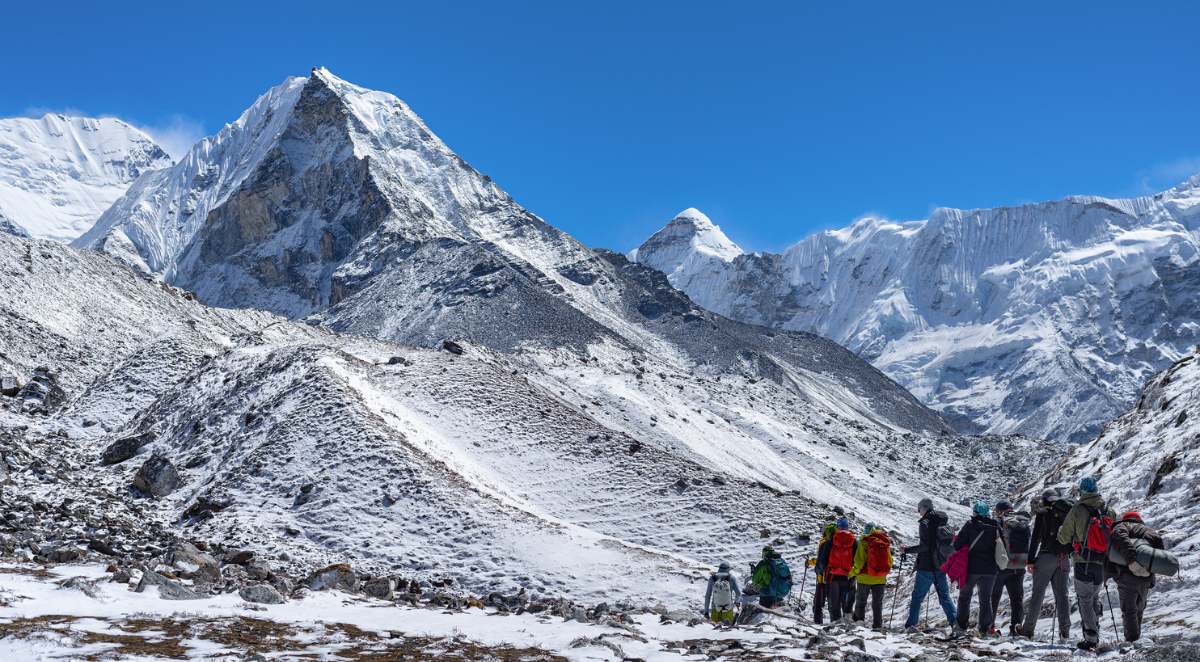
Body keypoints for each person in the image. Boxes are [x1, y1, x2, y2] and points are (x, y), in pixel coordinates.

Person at [1056, 476, 1117, 650]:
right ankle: (1094, 630)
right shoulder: (1109, 510)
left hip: (1083, 561)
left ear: (1082, 492)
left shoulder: (1077, 510)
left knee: (1085, 599)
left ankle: (1091, 637)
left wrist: (1061, 532)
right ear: (1097, 490)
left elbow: (1064, 538)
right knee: (1094, 598)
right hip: (1103, 563)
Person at [1017, 489, 1072, 640]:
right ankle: (1065, 631)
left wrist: (1031, 560)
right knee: (1062, 595)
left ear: (1043, 500)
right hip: (1064, 557)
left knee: (1038, 595)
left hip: (1046, 556)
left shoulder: (1042, 514)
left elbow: (1035, 539)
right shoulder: (1065, 512)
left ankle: (1028, 629)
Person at [1107, 511, 1163, 642]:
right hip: (1146, 577)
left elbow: (1121, 539)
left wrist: (1131, 561)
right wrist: (1150, 575)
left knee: (1129, 609)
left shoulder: (1121, 526)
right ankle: (1136, 641)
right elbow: (1158, 555)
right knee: (1139, 609)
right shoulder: (1151, 532)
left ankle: (1132, 641)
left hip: (1127, 575)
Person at [902, 497, 957, 630]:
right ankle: (955, 622)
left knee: (917, 597)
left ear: (923, 508)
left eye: (919, 508)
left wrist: (907, 550)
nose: (918, 510)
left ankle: (911, 625)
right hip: (941, 566)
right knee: (944, 595)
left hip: (926, 566)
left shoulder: (925, 523)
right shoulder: (942, 522)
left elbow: (925, 546)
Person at [953, 501, 1006, 637]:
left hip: (971, 569)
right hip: (990, 569)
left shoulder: (970, 525)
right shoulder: (995, 526)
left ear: (975, 512)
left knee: (965, 597)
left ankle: (962, 626)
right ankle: (985, 629)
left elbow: (957, 545)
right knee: (986, 598)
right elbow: (1002, 545)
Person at [990, 500, 1030, 635]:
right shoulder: (1022, 521)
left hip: (1000, 567)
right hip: (1018, 566)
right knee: (1017, 598)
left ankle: (990, 627)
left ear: (1000, 511)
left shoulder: (998, 521)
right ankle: (1016, 629)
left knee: (994, 597)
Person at [850, 522, 892, 629]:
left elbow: (859, 562)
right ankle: (877, 626)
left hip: (864, 578)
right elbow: (890, 561)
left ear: (867, 529)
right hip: (880, 579)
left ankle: (860, 625)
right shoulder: (883, 541)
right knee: (877, 604)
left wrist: (852, 573)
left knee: (861, 601)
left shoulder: (864, 542)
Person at [819, 517, 857, 622]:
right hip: (848, 577)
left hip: (832, 577)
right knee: (847, 602)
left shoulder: (831, 540)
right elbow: (857, 560)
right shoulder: (853, 540)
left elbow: (824, 559)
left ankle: (835, 624)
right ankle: (848, 623)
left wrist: (822, 571)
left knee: (834, 602)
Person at [811, 521, 837, 623]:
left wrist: (816, 569)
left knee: (818, 603)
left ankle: (818, 622)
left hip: (822, 578)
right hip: (833, 577)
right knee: (833, 603)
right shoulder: (837, 543)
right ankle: (834, 622)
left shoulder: (824, 543)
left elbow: (820, 561)